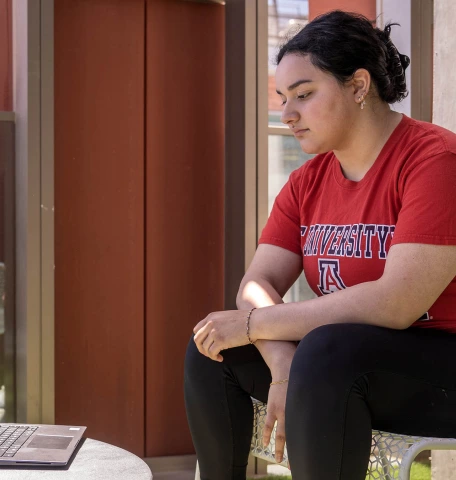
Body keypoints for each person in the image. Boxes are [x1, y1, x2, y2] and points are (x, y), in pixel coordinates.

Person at [184, 10, 456, 480]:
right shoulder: (306, 181)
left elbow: (397, 304)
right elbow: (258, 282)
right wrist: (281, 359)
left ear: (358, 86)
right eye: (283, 98)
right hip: (339, 366)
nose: (288, 114)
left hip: (440, 366)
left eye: (304, 95)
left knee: (327, 351)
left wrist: (256, 326)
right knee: (212, 347)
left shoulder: (435, 162)